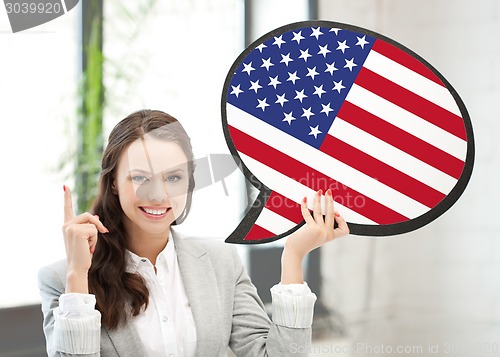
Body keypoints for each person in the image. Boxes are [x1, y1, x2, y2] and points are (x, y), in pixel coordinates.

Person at [38, 109, 349, 357]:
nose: (158, 195)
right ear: (115, 182)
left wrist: (293, 256)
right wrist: (78, 274)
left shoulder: (221, 262)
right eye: (140, 178)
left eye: (173, 177)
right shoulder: (60, 281)